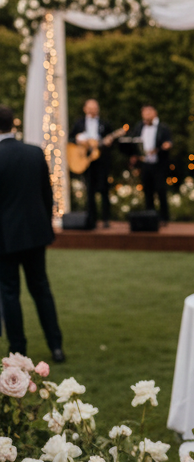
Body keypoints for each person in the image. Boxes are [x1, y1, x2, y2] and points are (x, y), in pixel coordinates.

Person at [0, 105, 65, 362]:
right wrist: (45, 227)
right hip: (35, 234)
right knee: (41, 289)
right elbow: (47, 196)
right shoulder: (35, 152)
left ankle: (17, 350)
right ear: (13, 125)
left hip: (5, 238)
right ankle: (56, 346)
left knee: (9, 293)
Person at [70, 98, 113, 229]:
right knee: (89, 190)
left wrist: (108, 143)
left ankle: (106, 219)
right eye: (90, 107)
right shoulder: (79, 123)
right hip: (86, 161)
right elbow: (70, 138)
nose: (93, 110)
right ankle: (91, 219)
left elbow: (112, 140)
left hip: (101, 161)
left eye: (95, 107)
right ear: (85, 109)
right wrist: (79, 141)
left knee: (104, 189)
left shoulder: (104, 123)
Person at [128, 104, 172, 226]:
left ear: (154, 113)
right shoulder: (139, 127)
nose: (146, 116)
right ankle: (150, 217)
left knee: (161, 189)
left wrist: (162, 147)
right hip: (145, 163)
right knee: (147, 191)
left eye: (148, 113)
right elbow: (134, 141)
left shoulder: (163, 128)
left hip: (159, 164)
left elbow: (169, 142)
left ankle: (164, 218)